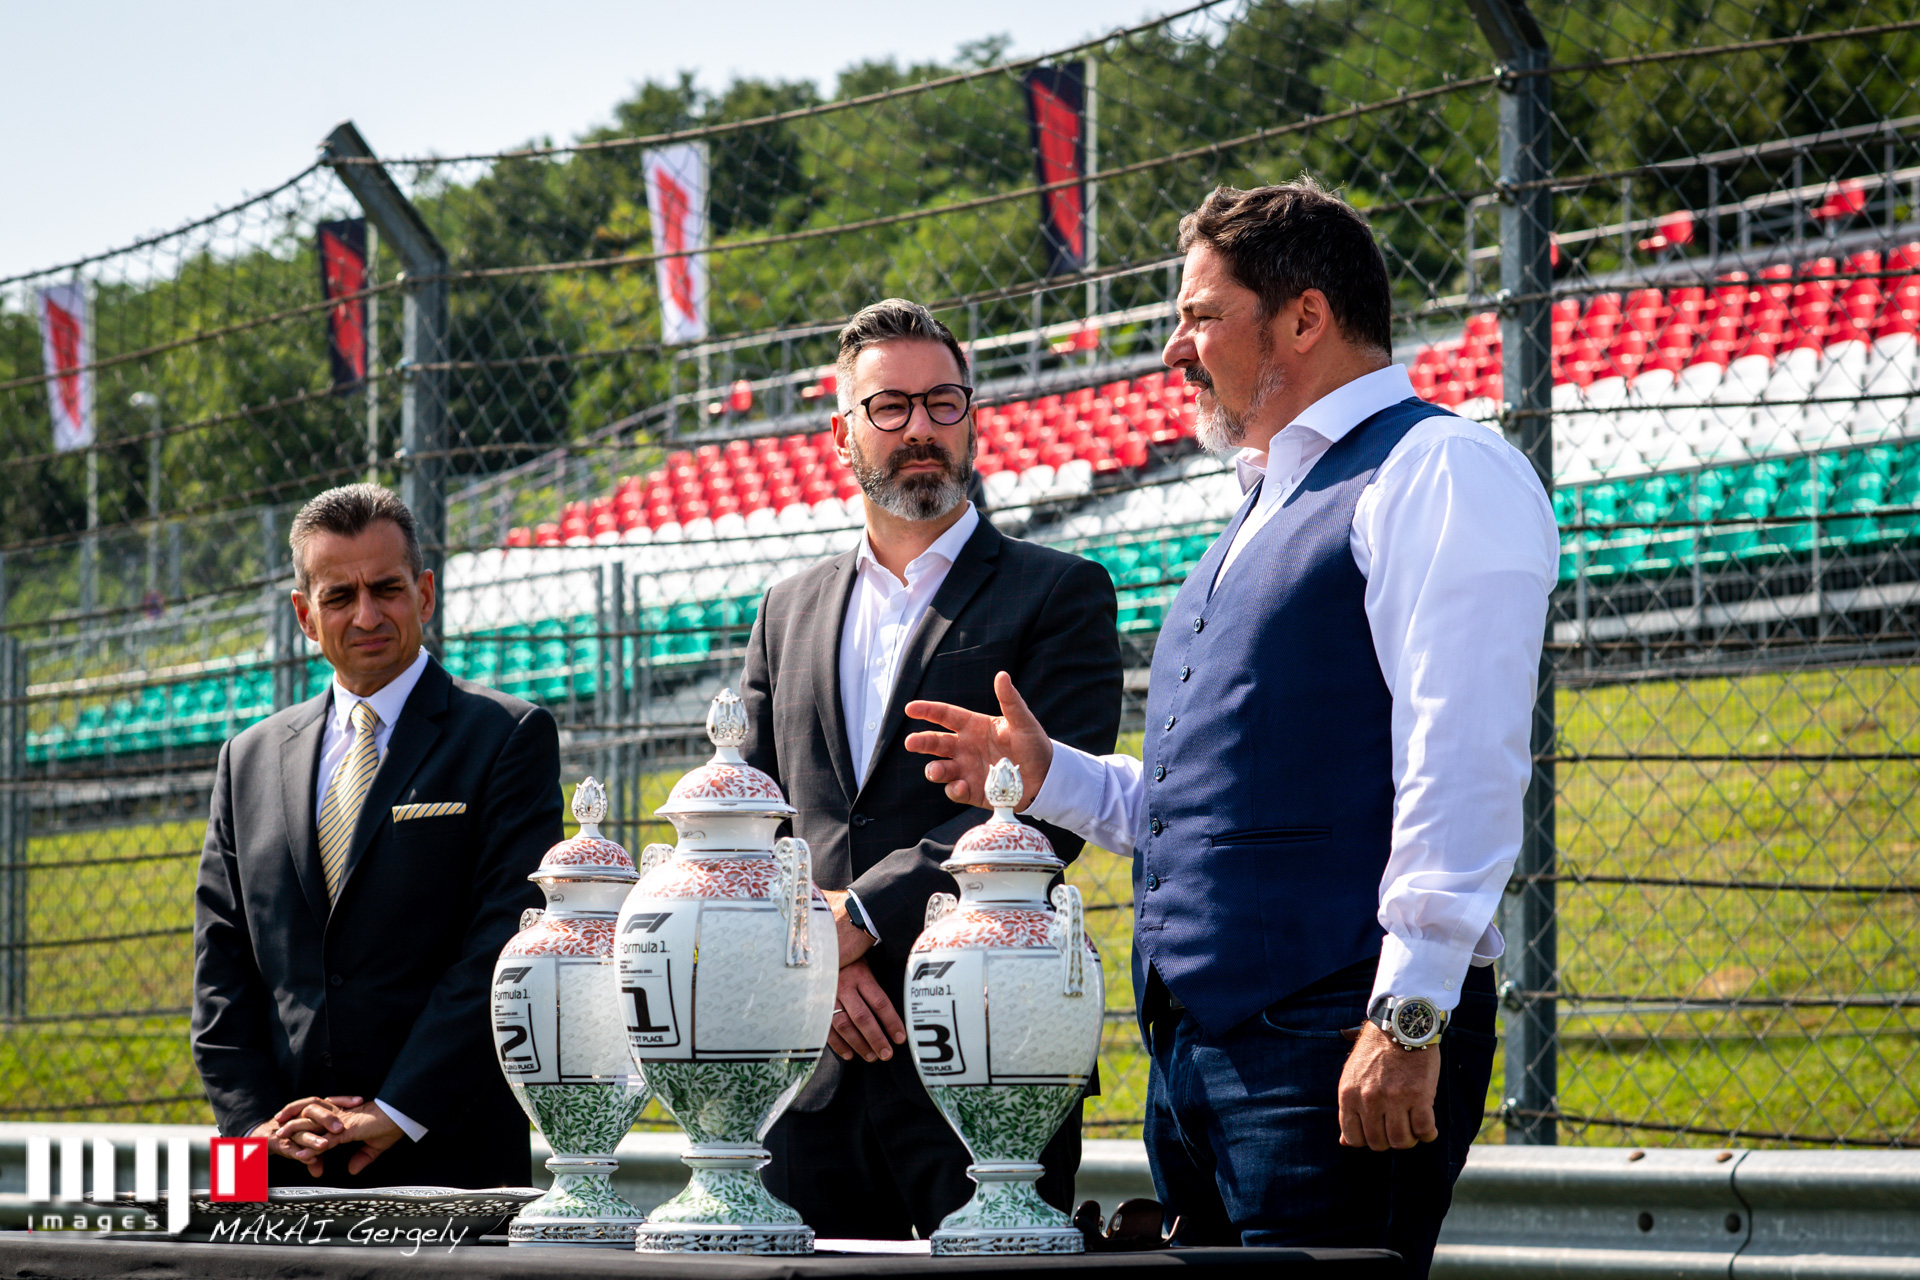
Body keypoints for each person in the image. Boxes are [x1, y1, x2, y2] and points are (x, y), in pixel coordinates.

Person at [905, 181, 1558, 1275]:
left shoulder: (1437, 468)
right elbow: (1213, 804)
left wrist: (1409, 1013)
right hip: (1202, 1060)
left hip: (1337, 1039)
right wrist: (1050, 773)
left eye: (1202, 315)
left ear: (1304, 319)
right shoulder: (1263, 503)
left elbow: (1463, 758)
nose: (1176, 348)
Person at [741, 298, 1123, 1240]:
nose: (921, 426)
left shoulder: (1060, 592)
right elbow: (755, 819)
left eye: (943, 402)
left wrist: (862, 919)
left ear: (972, 419)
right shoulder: (786, 610)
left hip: (994, 1048)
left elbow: (1050, 815)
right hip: (811, 1061)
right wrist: (818, 962)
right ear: (842, 434)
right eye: (890, 406)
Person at [192, 484, 562, 1187]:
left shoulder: (507, 737)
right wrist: (253, 1130)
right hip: (274, 1164)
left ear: (424, 593)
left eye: (386, 588)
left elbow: (505, 946)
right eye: (339, 596)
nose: (366, 615)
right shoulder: (247, 759)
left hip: (446, 1156)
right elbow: (221, 971)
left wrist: (398, 1110)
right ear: (305, 615)